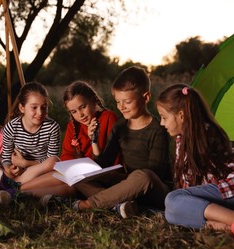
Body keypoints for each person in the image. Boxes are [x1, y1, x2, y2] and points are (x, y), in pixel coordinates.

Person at [72, 66, 172, 217]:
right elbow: (105, 164)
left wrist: (124, 186)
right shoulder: (120, 126)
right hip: (129, 184)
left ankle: (88, 204)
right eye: (118, 101)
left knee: (143, 176)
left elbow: (154, 174)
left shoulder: (158, 129)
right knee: (79, 177)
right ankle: (121, 205)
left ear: (145, 98)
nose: (121, 107)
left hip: (154, 188)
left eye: (127, 102)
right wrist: (94, 140)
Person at [1, 81, 119, 199]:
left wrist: (93, 142)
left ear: (93, 101)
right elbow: (66, 157)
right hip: (79, 179)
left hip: (104, 174)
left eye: (83, 107)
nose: (80, 115)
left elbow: (113, 156)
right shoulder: (73, 126)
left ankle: (17, 187)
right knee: (69, 186)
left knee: (64, 175)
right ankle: (20, 194)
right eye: (74, 112)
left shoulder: (108, 118)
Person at [156, 84, 234, 234]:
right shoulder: (183, 138)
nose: (161, 123)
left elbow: (190, 186)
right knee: (170, 213)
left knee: (173, 200)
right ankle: (224, 227)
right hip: (221, 195)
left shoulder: (202, 136)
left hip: (229, 189)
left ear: (181, 115)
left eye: (164, 117)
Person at [0, 81, 61, 204]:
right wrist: (9, 168)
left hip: (40, 172)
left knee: (55, 162)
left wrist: (26, 163)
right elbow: (5, 155)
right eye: (34, 107)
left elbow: (50, 160)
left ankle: (12, 187)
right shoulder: (12, 126)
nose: (40, 112)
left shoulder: (52, 127)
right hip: (17, 172)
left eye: (44, 107)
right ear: (22, 108)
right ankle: (12, 184)